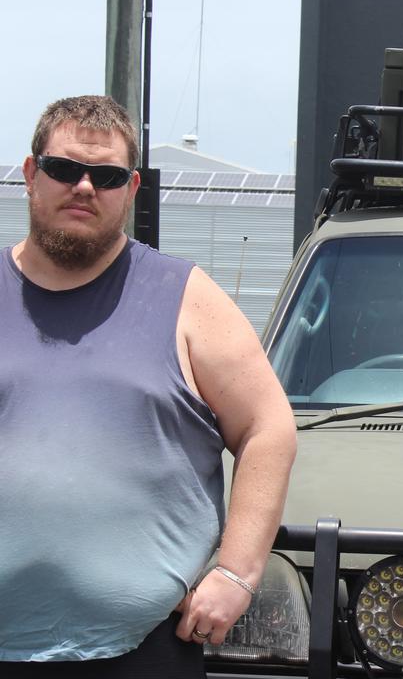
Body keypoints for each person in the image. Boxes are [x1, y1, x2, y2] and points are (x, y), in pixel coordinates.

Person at [0, 95, 297, 677]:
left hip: (145, 651)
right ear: (32, 174)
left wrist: (238, 573)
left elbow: (269, 427)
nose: (84, 187)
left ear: (131, 188)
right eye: (64, 169)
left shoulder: (186, 295)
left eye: (107, 176)